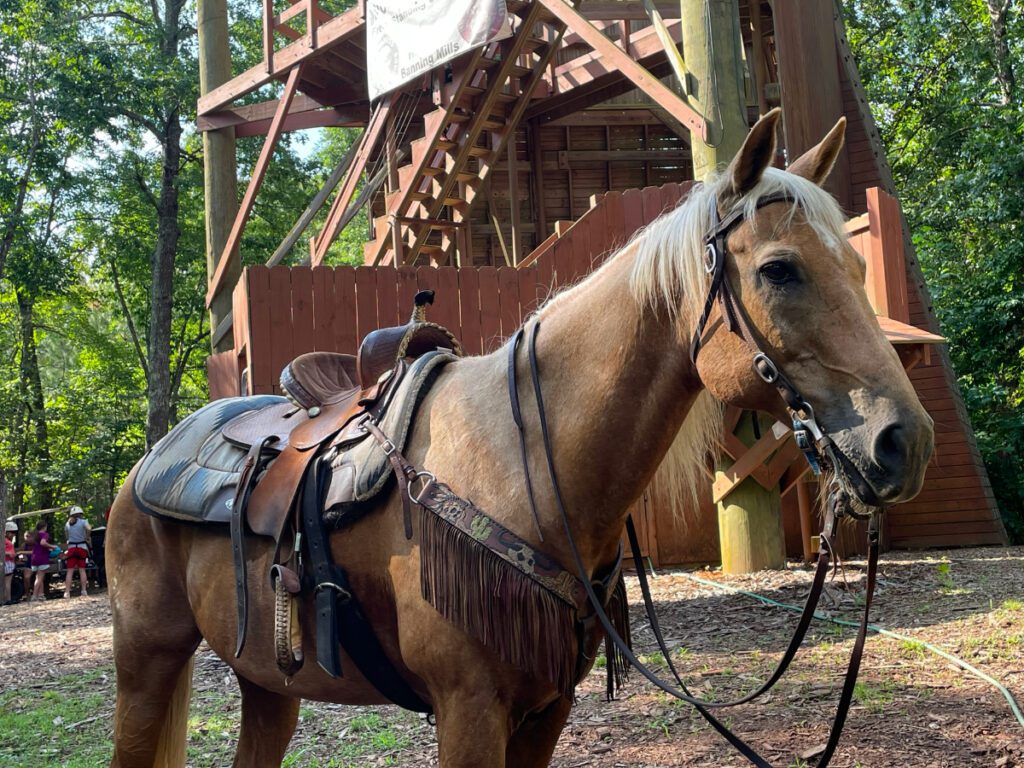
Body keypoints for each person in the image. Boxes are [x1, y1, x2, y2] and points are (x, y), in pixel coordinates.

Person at [63, 506, 91, 598]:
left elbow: (67, 537)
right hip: (81, 547)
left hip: (71, 548)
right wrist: (87, 536)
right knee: (82, 570)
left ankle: (67, 592)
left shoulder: (67, 524)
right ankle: (83, 591)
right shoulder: (83, 522)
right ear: (80, 514)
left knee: (70, 571)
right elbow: (89, 528)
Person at [29, 519, 57, 601]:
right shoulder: (45, 534)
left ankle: (41, 595)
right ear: (45, 527)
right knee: (39, 578)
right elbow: (43, 543)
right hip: (42, 558)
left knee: (39, 577)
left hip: (34, 558)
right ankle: (34, 595)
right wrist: (52, 547)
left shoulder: (35, 535)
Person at [4, 521, 17, 605]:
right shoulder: (8, 543)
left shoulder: (4, 541)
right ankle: (8, 599)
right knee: (7, 582)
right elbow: (10, 554)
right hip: (8, 563)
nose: (13, 535)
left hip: (6, 563)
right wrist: (12, 554)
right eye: (12, 532)